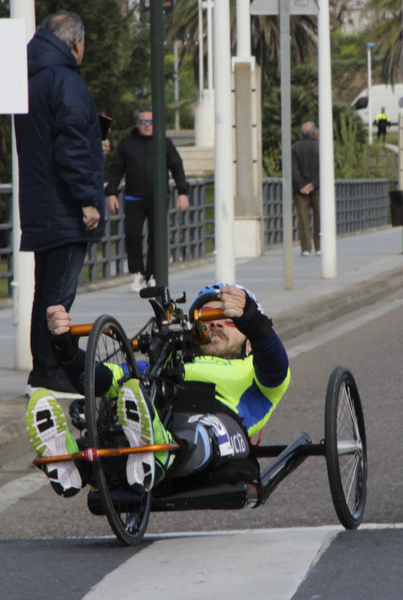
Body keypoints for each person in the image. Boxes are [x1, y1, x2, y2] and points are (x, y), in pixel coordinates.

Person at [25, 283, 290, 497]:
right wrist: (64, 348)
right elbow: (101, 379)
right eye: (206, 319)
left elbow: (275, 362)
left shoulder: (257, 371)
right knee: (120, 409)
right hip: (155, 413)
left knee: (206, 430)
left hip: (217, 423)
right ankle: (71, 460)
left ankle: (159, 450)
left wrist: (254, 321)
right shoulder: (168, 362)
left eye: (229, 320)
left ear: (250, 341)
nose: (216, 323)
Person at [14, 11, 105, 398]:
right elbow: (69, 146)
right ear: (77, 44)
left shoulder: (31, 80)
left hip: (40, 204)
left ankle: (42, 368)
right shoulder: (66, 81)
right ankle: (51, 369)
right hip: (66, 209)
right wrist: (87, 200)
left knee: (44, 294)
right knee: (58, 299)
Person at [105, 107, 190, 292]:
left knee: (156, 238)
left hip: (159, 200)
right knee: (133, 236)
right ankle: (137, 272)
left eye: (151, 122)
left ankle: (152, 274)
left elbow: (177, 167)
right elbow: (116, 169)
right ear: (137, 123)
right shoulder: (127, 144)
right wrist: (111, 193)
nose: (147, 126)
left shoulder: (164, 143)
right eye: (143, 122)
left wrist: (183, 192)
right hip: (134, 198)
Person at [291, 122, 321, 257]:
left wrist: (301, 186)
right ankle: (319, 246)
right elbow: (323, 169)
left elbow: (293, 170)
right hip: (318, 188)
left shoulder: (295, 148)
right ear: (314, 132)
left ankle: (306, 248)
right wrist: (313, 184)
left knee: (303, 219)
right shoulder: (321, 146)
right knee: (320, 217)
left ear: (302, 134)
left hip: (301, 190)